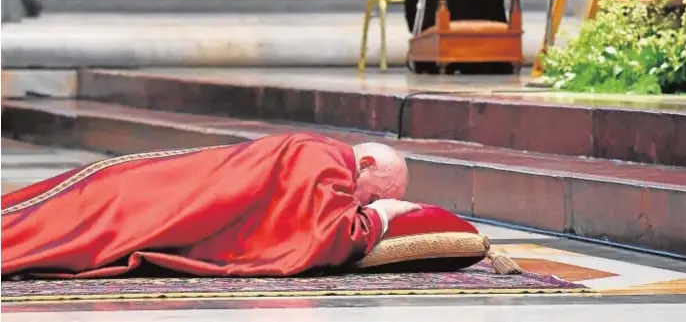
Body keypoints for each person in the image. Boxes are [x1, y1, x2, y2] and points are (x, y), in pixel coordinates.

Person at [1, 133, 420, 279]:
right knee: (41, 234)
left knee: (36, 223)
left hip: (146, 192)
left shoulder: (318, 157)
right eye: (374, 196)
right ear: (363, 164)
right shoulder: (323, 161)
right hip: (143, 201)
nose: (363, 205)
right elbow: (330, 236)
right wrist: (385, 217)